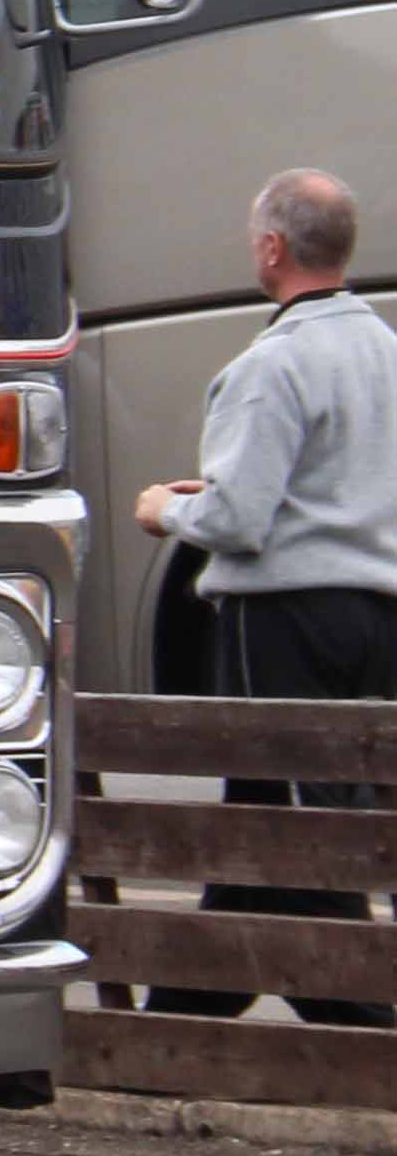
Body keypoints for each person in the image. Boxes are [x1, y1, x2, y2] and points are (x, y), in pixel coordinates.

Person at [131, 168, 397, 1028]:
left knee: (281, 820)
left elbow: (240, 517)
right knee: (310, 811)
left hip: (283, 616)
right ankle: (193, 1002)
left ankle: (344, 1017)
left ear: (273, 248)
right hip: (379, 612)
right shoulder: (389, 351)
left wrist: (166, 508)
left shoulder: (269, 364)